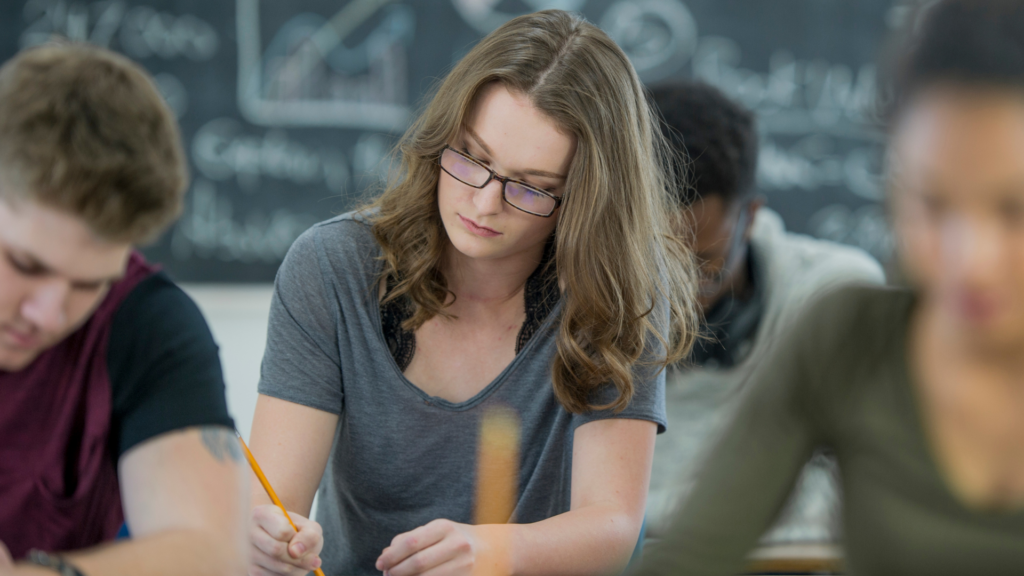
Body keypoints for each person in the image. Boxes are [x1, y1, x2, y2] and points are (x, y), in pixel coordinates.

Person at [246, 9, 700, 576]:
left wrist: (496, 552)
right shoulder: (332, 267)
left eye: (533, 188)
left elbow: (611, 526)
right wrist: (265, 540)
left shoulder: (618, 289)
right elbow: (273, 506)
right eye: (472, 160)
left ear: (586, 200)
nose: (484, 204)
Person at [636, 0, 1024, 574]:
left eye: (1015, 210)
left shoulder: (815, 288)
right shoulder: (848, 337)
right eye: (932, 204)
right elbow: (694, 554)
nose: (973, 262)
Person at [0, 43, 247, 576]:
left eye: (89, 284)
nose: (48, 314)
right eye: (25, 265)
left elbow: (211, 555)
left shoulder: (147, 324)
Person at [644, 82, 884, 543]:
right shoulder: (568, 304)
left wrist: (619, 517)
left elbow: (857, 493)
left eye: (702, 268)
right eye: (651, 260)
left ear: (749, 217)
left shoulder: (835, 299)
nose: (673, 293)